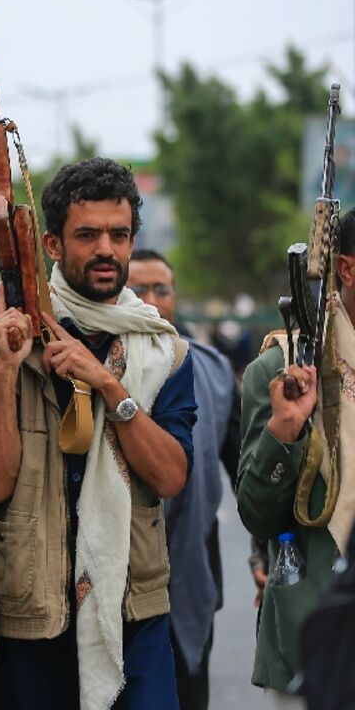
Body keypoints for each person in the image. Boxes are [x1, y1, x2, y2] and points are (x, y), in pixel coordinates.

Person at [0, 157, 195, 710]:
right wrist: (5, 371)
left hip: (130, 609)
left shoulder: (163, 350)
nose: (105, 250)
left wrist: (109, 388)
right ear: (50, 244)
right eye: (87, 235)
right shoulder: (1, 350)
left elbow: (170, 475)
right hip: (33, 613)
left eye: (119, 236)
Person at [237, 209, 355, 709]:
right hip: (316, 636)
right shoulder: (284, 367)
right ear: (347, 270)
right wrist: (285, 427)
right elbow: (257, 512)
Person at [128, 248, 240, 710]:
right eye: (139, 289)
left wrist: (267, 550)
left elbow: (242, 469)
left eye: (162, 288)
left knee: (190, 695)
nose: (152, 299)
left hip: (193, 569)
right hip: (123, 576)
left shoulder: (211, 370)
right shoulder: (99, 370)